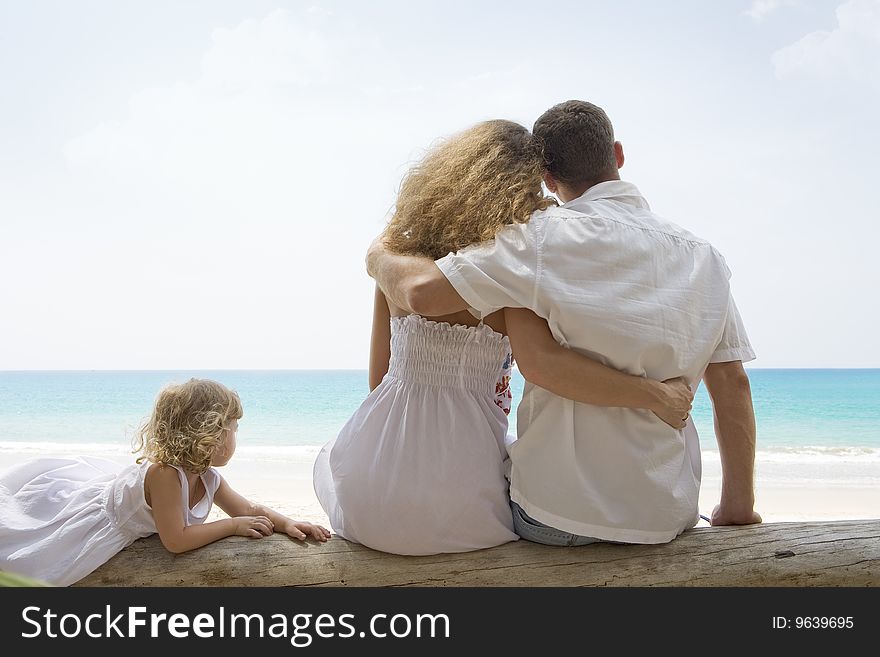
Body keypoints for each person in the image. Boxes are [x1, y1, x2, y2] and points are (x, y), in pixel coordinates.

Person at [367, 100, 762, 547]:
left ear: (548, 178)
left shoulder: (537, 238)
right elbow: (732, 383)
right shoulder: (705, 258)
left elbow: (423, 294)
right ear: (617, 155)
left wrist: (378, 254)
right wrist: (737, 507)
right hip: (664, 514)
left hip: (556, 516)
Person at [313, 119, 695, 556]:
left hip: (371, 497)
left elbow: (378, 381)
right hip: (459, 507)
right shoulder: (512, 276)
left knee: (331, 458)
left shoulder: (395, 264)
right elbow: (542, 363)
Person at [0, 378, 330, 586]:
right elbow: (175, 540)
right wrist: (232, 527)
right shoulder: (166, 475)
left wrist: (288, 523)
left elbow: (248, 507)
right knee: (31, 550)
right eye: (233, 428)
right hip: (103, 519)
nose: (236, 437)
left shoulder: (208, 476)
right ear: (210, 432)